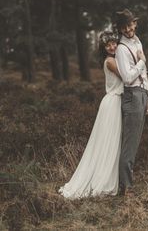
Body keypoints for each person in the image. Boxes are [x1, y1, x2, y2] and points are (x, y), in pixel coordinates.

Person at [58, 31, 123, 199]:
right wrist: (141, 63)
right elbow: (127, 76)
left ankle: (111, 177)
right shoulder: (109, 62)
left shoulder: (117, 58)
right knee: (107, 142)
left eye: (113, 43)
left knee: (113, 142)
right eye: (108, 45)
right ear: (104, 49)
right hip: (113, 103)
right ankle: (103, 180)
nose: (112, 46)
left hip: (116, 102)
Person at [114, 9, 148, 196]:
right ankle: (125, 187)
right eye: (125, 27)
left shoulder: (137, 41)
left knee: (134, 142)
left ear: (135, 23)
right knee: (129, 143)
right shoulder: (121, 49)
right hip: (132, 95)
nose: (129, 29)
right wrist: (142, 62)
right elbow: (128, 78)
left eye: (131, 25)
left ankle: (126, 183)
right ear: (120, 29)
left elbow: (143, 74)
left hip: (142, 94)